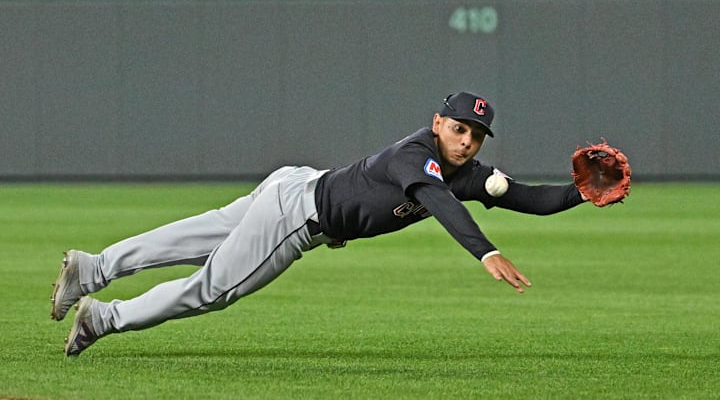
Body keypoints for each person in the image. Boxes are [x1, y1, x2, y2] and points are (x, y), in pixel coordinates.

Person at [51, 91, 587, 357]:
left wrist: (581, 193)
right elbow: (437, 200)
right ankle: (102, 319)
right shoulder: (416, 154)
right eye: (459, 128)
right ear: (437, 124)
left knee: (194, 236)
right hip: (299, 214)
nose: (466, 140)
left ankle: (93, 268)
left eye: (476, 134)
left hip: (296, 186)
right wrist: (485, 251)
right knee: (212, 289)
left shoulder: (462, 170)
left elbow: (526, 197)